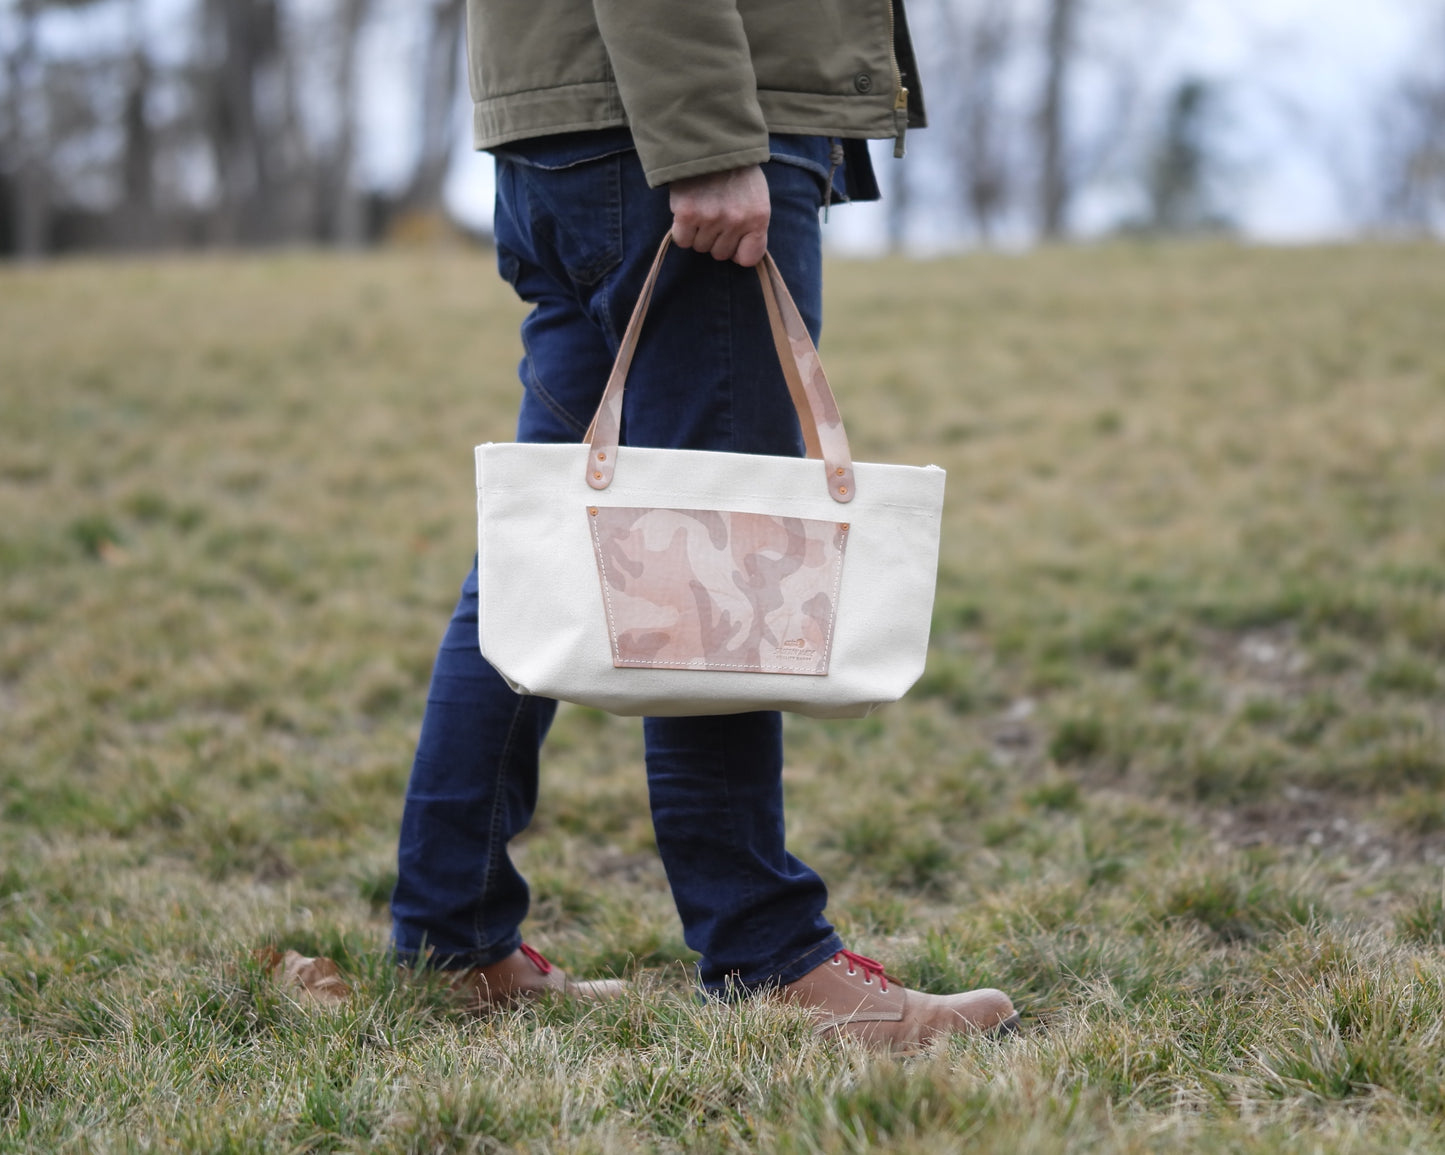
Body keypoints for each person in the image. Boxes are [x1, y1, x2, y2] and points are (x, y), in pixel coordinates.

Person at [385, 0, 1019, 1052]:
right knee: (719, 567)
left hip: (576, 124)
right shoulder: (694, 141)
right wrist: (708, 140)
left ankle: (452, 942)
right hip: (669, 133)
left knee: (541, 554)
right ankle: (766, 957)